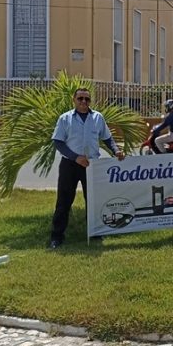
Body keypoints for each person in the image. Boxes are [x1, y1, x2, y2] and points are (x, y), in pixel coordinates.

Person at [49, 88, 125, 249]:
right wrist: (75, 157)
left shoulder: (97, 118)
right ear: (74, 100)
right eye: (80, 99)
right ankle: (57, 237)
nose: (84, 102)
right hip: (70, 165)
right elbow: (58, 142)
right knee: (64, 202)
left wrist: (116, 150)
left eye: (87, 99)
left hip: (92, 166)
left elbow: (107, 138)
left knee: (93, 201)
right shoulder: (65, 119)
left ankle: (96, 233)